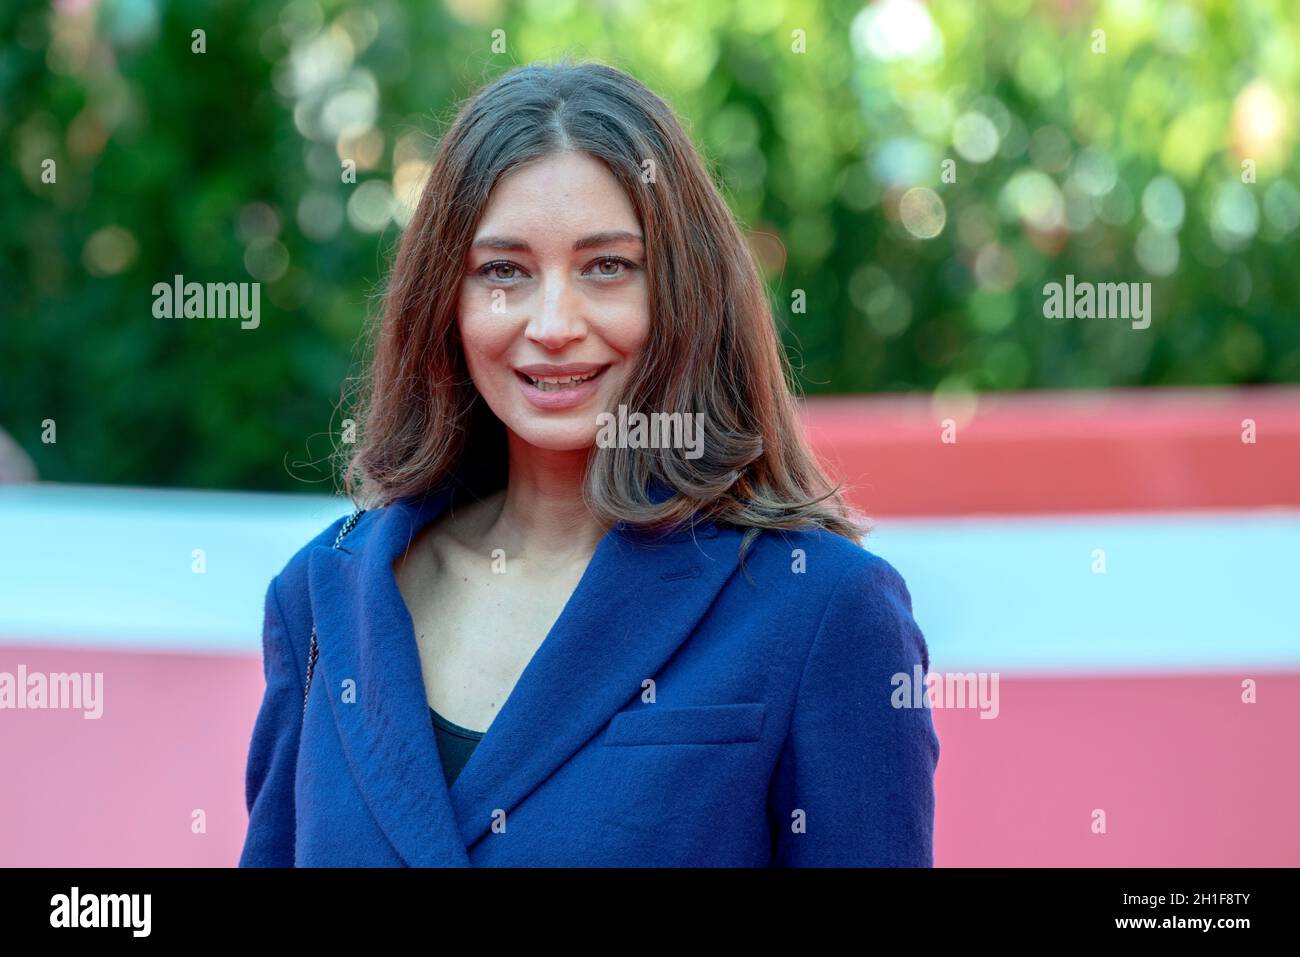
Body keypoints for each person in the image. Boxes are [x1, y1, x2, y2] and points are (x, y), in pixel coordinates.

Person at [238, 59, 938, 867]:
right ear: (446, 301)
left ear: (683, 291)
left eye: (607, 266)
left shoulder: (824, 608)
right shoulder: (323, 597)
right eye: (504, 270)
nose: (554, 322)